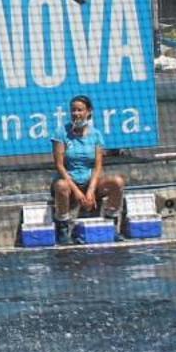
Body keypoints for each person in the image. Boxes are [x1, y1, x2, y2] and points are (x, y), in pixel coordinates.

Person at [50, 94, 124, 244]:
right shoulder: (60, 133)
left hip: (90, 183)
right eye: (73, 110)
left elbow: (97, 167)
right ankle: (63, 227)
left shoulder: (96, 135)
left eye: (80, 110)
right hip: (69, 183)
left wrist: (90, 191)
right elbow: (59, 165)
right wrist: (76, 191)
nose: (76, 114)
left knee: (117, 181)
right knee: (61, 185)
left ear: (88, 112)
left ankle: (111, 224)